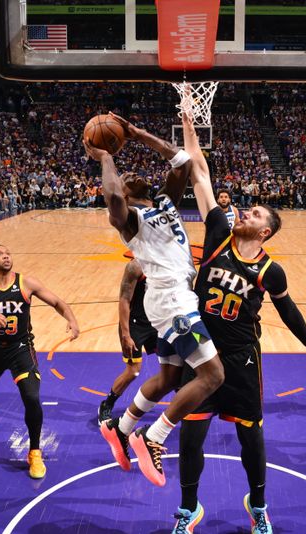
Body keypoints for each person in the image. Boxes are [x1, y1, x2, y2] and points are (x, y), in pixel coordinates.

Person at [171, 112, 306, 532]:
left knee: (250, 437)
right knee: (190, 437)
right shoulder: (219, 234)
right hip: (200, 354)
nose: (247, 212)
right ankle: (189, 508)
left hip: (241, 357)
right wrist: (189, 122)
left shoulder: (269, 270)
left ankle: (257, 504)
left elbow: (288, 308)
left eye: (256, 213)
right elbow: (200, 173)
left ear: (265, 232)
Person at [85, 112, 224, 488]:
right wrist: (106, 156)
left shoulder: (164, 203)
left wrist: (137, 132)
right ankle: (153, 436)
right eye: (124, 180)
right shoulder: (129, 219)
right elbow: (113, 196)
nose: (128, 177)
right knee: (213, 376)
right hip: (171, 299)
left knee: (167, 378)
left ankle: (121, 425)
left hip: (174, 300)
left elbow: (182, 161)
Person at [0, 245, 80, 479]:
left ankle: (34, 451)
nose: (5, 255)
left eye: (8, 253)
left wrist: (72, 320)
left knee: (32, 397)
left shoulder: (26, 283)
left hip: (21, 348)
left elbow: (57, 302)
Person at [97, 259, 157, 424]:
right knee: (133, 371)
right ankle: (107, 404)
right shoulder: (135, 266)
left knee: (173, 365)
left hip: (157, 322)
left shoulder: (164, 261)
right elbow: (124, 300)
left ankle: (183, 403)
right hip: (135, 325)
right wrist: (126, 334)